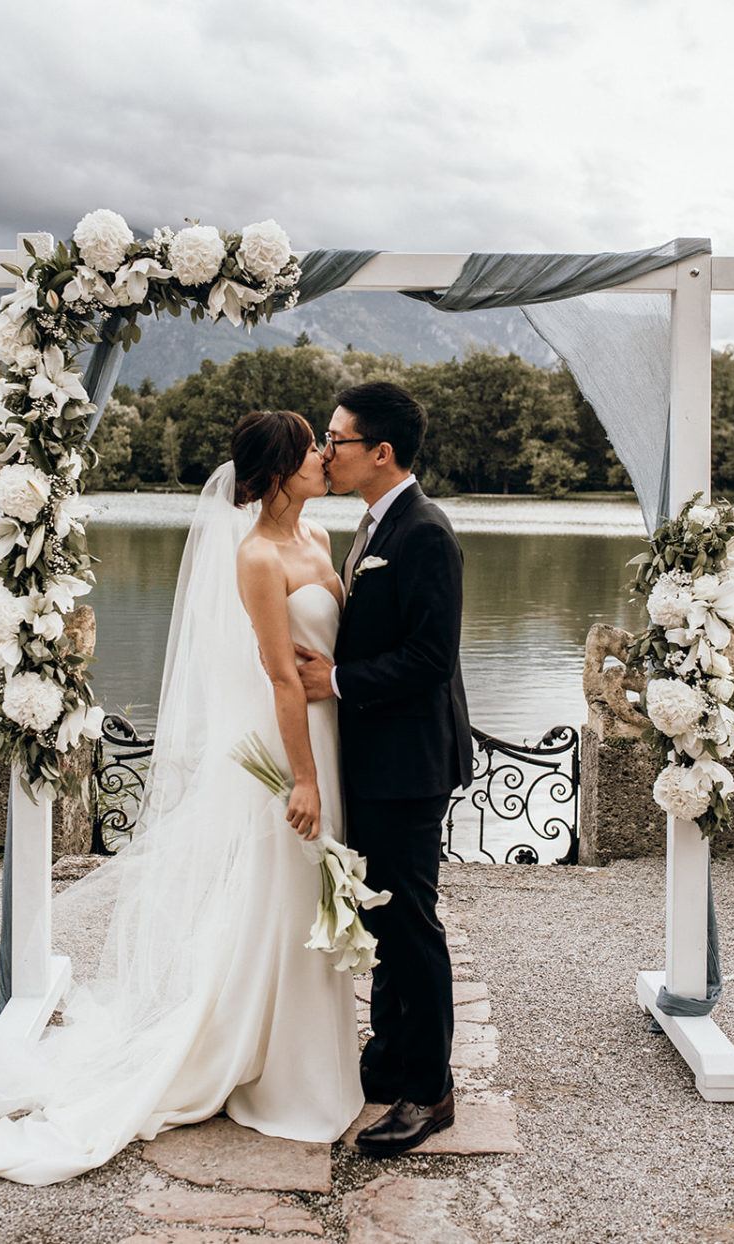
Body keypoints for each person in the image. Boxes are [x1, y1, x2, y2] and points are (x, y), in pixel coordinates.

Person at [0, 411, 363, 1185]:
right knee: (283, 898)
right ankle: (272, 1070)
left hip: (328, 732)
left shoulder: (319, 542)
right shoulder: (255, 556)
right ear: (281, 469)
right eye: (311, 451)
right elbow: (278, 676)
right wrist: (305, 779)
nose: (325, 458)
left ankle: (318, 1063)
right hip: (289, 752)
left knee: (310, 898)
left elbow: (323, 655)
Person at [296, 381, 473, 1157]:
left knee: (409, 925)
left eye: (335, 440)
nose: (324, 452)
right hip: (375, 760)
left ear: (380, 452)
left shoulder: (425, 532)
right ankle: (390, 1058)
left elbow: (431, 659)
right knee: (380, 914)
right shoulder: (373, 525)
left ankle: (429, 1091)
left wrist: (333, 683)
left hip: (407, 763)